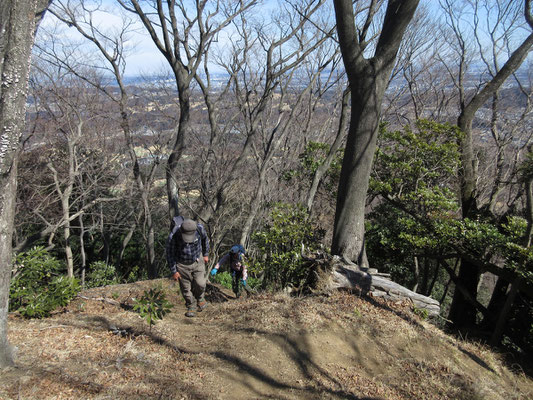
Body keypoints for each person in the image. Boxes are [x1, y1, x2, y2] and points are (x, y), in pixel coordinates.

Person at [166, 216, 209, 317]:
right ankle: (191, 305)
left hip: (198, 260)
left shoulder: (199, 229)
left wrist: (206, 254)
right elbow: (169, 254)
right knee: (186, 288)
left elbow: (205, 240)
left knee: (200, 283)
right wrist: (174, 271)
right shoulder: (173, 236)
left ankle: (200, 298)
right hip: (181, 264)